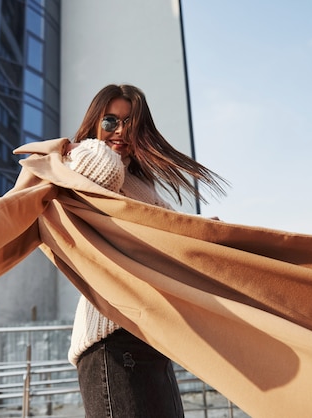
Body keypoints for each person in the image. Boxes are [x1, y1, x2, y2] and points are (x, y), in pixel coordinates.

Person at [60, 84, 227, 418]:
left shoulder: (141, 185)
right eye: (110, 121)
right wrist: (103, 143)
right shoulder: (81, 158)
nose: (120, 130)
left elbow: (177, 229)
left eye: (131, 123)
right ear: (94, 122)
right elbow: (102, 173)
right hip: (111, 337)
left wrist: (212, 233)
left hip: (148, 335)